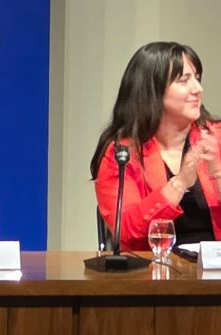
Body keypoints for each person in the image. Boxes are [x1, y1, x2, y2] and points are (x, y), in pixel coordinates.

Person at [92, 42, 221, 250]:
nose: (198, 89)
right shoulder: (123, 154)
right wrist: (179, 184)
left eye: (197, 79)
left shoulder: (216, 139)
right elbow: (124, 232)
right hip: (155, 273)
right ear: (152, 90)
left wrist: (218, 173)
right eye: (183, 80)